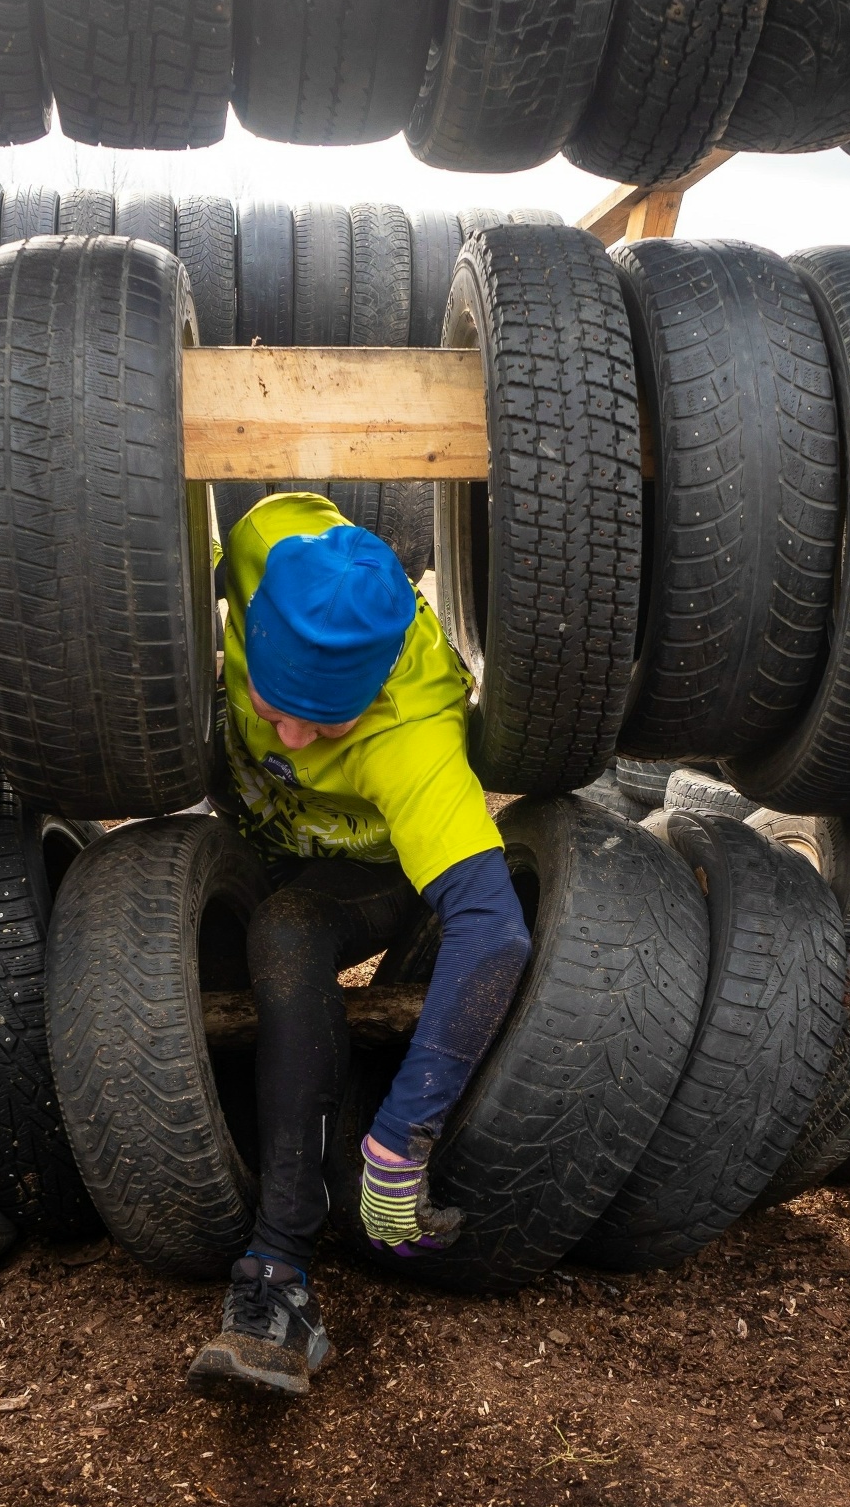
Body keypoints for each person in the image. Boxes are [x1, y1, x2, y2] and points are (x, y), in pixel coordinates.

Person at [187, 492, 531, 1398]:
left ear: (372, 692)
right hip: (249, 838)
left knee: (288, 929)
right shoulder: (265, 537)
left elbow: (493, 931)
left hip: (362, 877)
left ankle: (279, 1277)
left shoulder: (415, 734)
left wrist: (403, 1137)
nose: (294, 737)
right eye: (275, 704)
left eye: (326, 724)